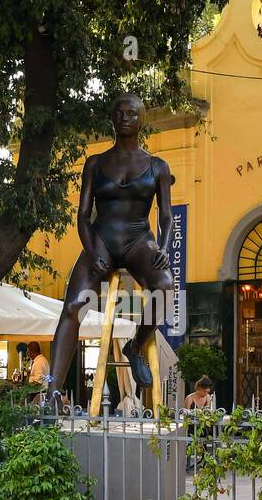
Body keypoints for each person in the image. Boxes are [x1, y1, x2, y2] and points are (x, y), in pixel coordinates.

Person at [48, 92, 175, 396]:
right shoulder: (95, 163)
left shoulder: (158, 166)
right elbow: (81, 216)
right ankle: (52, 393)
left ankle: (136, 345)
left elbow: (167, 217)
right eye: (119, 113)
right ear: (112, 119)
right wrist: (92, 252)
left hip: (138, 240)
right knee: (73, 306)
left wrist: (164, 250)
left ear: (141, 120)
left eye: (131, 113)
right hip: (101, 238)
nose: (124, 119)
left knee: (165, 288)